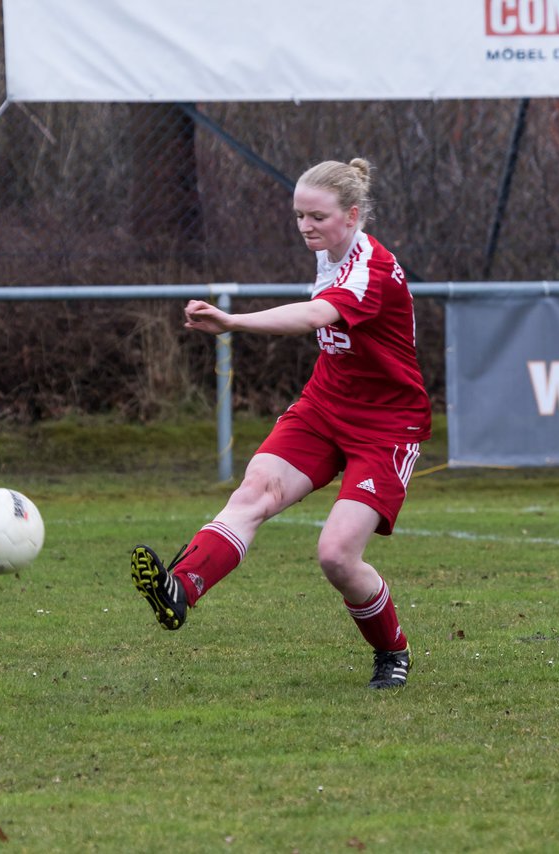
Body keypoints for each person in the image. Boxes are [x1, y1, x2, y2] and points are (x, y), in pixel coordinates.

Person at [131, 158, 431, 689]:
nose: (305, 227)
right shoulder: (330, 253)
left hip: (386, 425)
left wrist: (231, 321)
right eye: (298, 216)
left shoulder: (370, 268)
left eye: (317, 216)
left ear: (353, 215)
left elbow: (314, 318)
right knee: (253, 495)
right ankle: (179, 588)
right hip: (325, 405)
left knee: (337, 555)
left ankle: (393, 651)